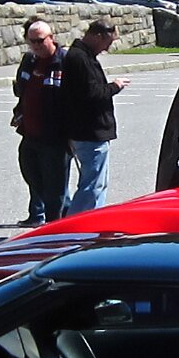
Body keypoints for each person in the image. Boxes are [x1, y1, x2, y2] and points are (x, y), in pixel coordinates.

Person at [59, 17, 127, 214]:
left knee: (95, 183)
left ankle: (83, 223)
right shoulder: (80, 58)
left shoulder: (82, 56)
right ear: (98, 36)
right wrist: (115, 86)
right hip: (89, 132)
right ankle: (79, 226)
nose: (107, 48)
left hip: (87, 130)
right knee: (92, 186)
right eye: (108, 42)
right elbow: (91, 93)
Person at [11, 18, 70, 225]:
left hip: (55, 137)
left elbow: (74, 97)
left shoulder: (65, 61)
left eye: (40, 40)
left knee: (55, 188)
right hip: (30, 133)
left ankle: (56, 228)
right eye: (32, 41)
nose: (36, 45)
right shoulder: (30, 60)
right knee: (31, 174)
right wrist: (19, 112)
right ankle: (66, 216)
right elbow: (24, 91)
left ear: (51, 38)